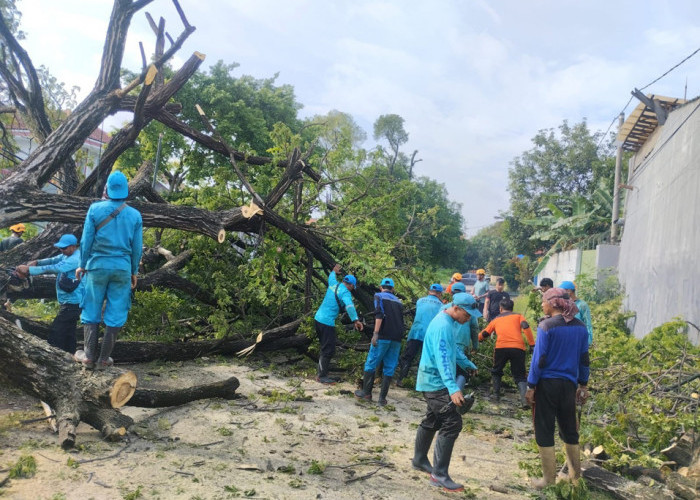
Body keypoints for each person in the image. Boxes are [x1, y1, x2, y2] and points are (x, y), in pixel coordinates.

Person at [411, 293, 480, 493]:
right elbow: (442, 358)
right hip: (434, 382)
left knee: (433, 419)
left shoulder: (449, 322)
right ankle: (439, 475)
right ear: (456, 308)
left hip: (433, 380)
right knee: (452, 421)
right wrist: (452, 388)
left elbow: (451, 351)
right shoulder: (443, 326)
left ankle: (419, 459)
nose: (469, 319)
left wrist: (467, 363)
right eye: (468, 315)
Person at [74, 171, 142, 370]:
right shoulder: (135, 215)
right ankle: (104, 359)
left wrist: (82, 264)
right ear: (126, 191)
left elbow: (86, 241)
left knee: (91, 309)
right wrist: (134, 271)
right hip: (122, 268)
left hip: (96, 267)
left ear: (107, 190)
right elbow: (137, 248)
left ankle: (88, 357)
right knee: (117, 311)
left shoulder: (94, 209)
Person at [525, 288, 590, 488]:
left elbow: (539, 360)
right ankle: (575, 478)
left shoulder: (546, 326)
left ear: (553, 303)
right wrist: (584, 385)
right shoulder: (581, 327)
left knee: (544, 429)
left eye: (544, 301)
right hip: (569, 386)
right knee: (569, 430)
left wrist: (531, 386)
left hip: (547, 385)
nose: (542, 305)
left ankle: (548, 480)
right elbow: (584, 359)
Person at [15, 234, 84, 354]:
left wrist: (29, 270)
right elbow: (53, 260)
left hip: (73, 302)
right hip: (69, 301)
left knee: (57, 331)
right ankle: (70, 353)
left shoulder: (75, 259)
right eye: (61, 248)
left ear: (73, 247)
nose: (62, 250)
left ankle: (54, 354)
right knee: (69, 331)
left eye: (64, 248)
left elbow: (54, 268)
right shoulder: (66, 255)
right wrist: (37, 262)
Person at [355, 278, 404, 405]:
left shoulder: (379, 296)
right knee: (390, 367)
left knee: (371, 362)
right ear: (393, 289)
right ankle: (382, 399)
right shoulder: (398, 301)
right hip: (397, 338)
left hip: (383, 335)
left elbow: (379, 315)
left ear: (381, 287)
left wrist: (375, 334)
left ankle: (366, 393)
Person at [313, 263, 363, 383]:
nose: (352, 289)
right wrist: (356, 320)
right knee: (328, 349)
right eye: (353, 287)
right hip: (327, 322)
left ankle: (322, 372)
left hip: (317, 319)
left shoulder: (334, 284)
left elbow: (331, 276)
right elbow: (350, 306)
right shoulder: (345, 293)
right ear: (350, 285)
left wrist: (334, 271)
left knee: (325, 347)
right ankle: (321, 376)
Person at [479, 298, 534, 406]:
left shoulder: (496, 319)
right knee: (519, 375)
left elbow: (486, 333)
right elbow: (526, 327)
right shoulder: (518, 316)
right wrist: (532, 344)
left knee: (496, 371)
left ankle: (496, 396)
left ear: (500, 308)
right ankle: (524, 401)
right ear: (512, 308)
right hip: (518, 348)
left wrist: (478, 339)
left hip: (501, 348)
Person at [396, 283, 443, 387]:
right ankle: (422, 383)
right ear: (440, 294)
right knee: (426, 358)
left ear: (429, 291)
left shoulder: (420, 301)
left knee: (408, 357)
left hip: (416, 332)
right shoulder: (441, 306)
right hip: (429, 336)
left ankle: (401, 380)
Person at [559, 281, 593, 345]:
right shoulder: (563, 304)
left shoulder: (582, 305)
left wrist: (588, 341)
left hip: (578, 339)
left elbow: (588, 324)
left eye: (562, 291)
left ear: (569, 291)